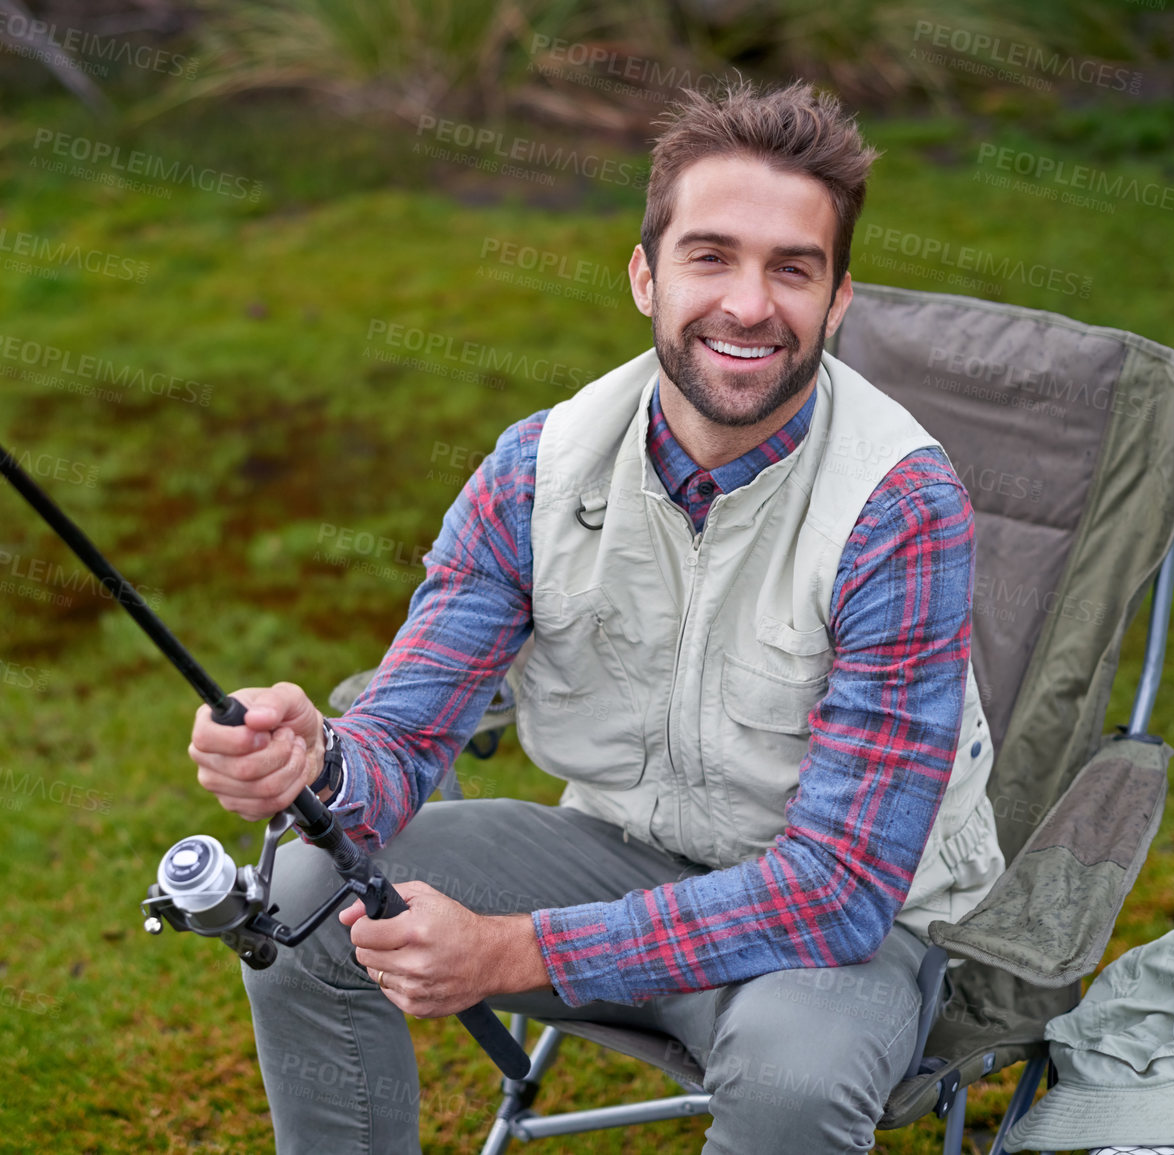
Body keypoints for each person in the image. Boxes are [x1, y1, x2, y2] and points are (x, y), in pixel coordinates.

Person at [187, 78, 1002, 1155]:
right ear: (644, 276)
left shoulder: (901, 508)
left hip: (835, 937)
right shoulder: (535, 468)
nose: (750, 306)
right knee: (302, 883)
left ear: (838, 300)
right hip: (617, 856)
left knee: (795, 1082)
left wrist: (515, 953)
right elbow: (403, 735)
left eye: (791, 270)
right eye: (710, 257)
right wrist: (317, 766)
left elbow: (840, 888)